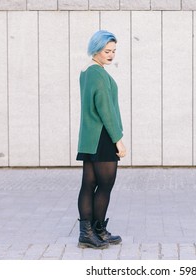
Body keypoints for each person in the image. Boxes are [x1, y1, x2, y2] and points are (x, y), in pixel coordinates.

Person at [76, 30, 126, 249]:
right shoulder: (98, 73)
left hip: (88, 137)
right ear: (95, 48)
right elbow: (105, 109)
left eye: (114, 51)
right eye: (107, 50)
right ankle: (96, 231)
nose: (111, 54)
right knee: (105, 185)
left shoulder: (86, 72)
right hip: (102, 136)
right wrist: (118, 139)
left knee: (89, 184)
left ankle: (90, 233)